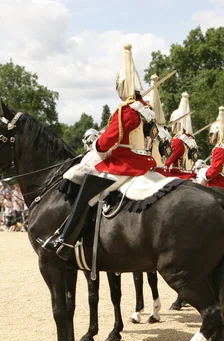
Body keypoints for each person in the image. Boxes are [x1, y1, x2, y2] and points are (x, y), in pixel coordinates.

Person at [47, 43, 159, 260]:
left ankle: (67, 240)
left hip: (126, 164)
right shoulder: (147, 111)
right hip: (144, 161)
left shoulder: (127, 110)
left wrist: (98, 141)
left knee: (87, 190)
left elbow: (106, 143)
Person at [195, 106, 224, 189]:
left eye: (211, 134)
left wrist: (203, 172)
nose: (209, 137)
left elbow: (214, 172)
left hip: (218, 184)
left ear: (216, 134)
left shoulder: (220, 149)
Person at [160, 92, 198, 179]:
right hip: (191, 176)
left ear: (177, 123)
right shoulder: (191, 140)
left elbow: (166, 162)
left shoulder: (177, 141)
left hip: (179, 177)